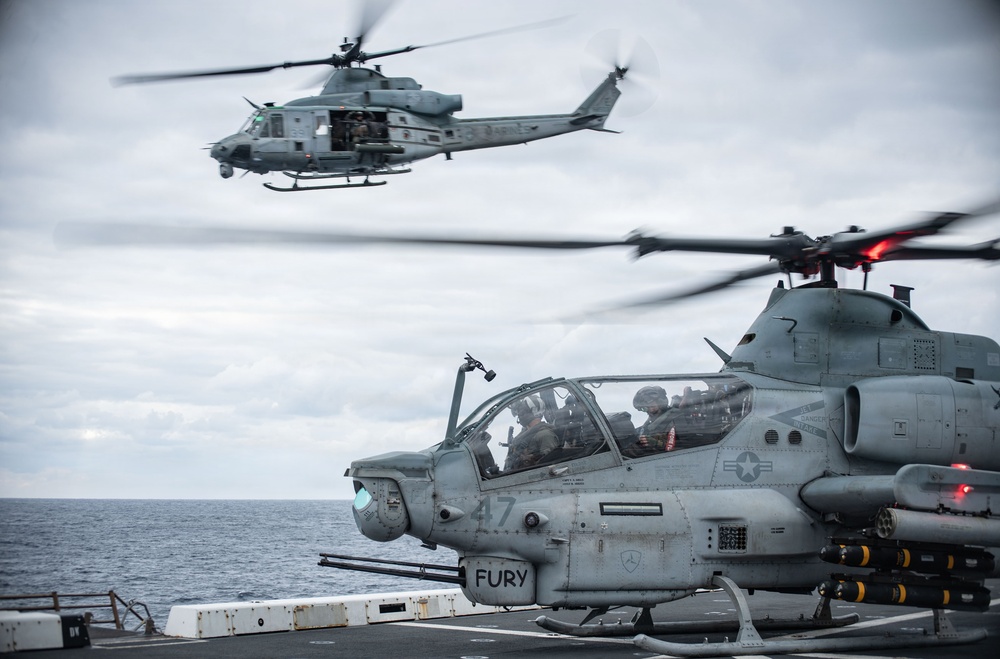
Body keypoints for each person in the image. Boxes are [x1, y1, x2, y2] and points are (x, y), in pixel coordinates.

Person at [503, 395, 559, 471]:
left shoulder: (545, 435)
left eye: (520, 413)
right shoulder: (526, 434)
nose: (519, 416)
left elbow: (553, 467)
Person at [626, 385, 682, 456]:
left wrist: (656, 443)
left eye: (649, 404)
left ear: (660, 401)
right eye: (643, 408)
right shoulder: (650, 424)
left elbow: (683, 451)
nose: (647, 409)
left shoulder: (676, 420)